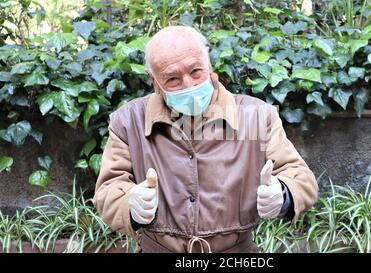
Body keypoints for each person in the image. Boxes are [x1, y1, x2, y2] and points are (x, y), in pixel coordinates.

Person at [93, 26, 318, 253]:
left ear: (208, 61)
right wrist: (129, 202)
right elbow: (108, 189)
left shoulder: (257, 117)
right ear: (154, 82)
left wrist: (283, 194)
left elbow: (301, 178)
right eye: (172, 79)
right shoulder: (129, 121)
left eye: (196, 71)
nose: (188, 84)